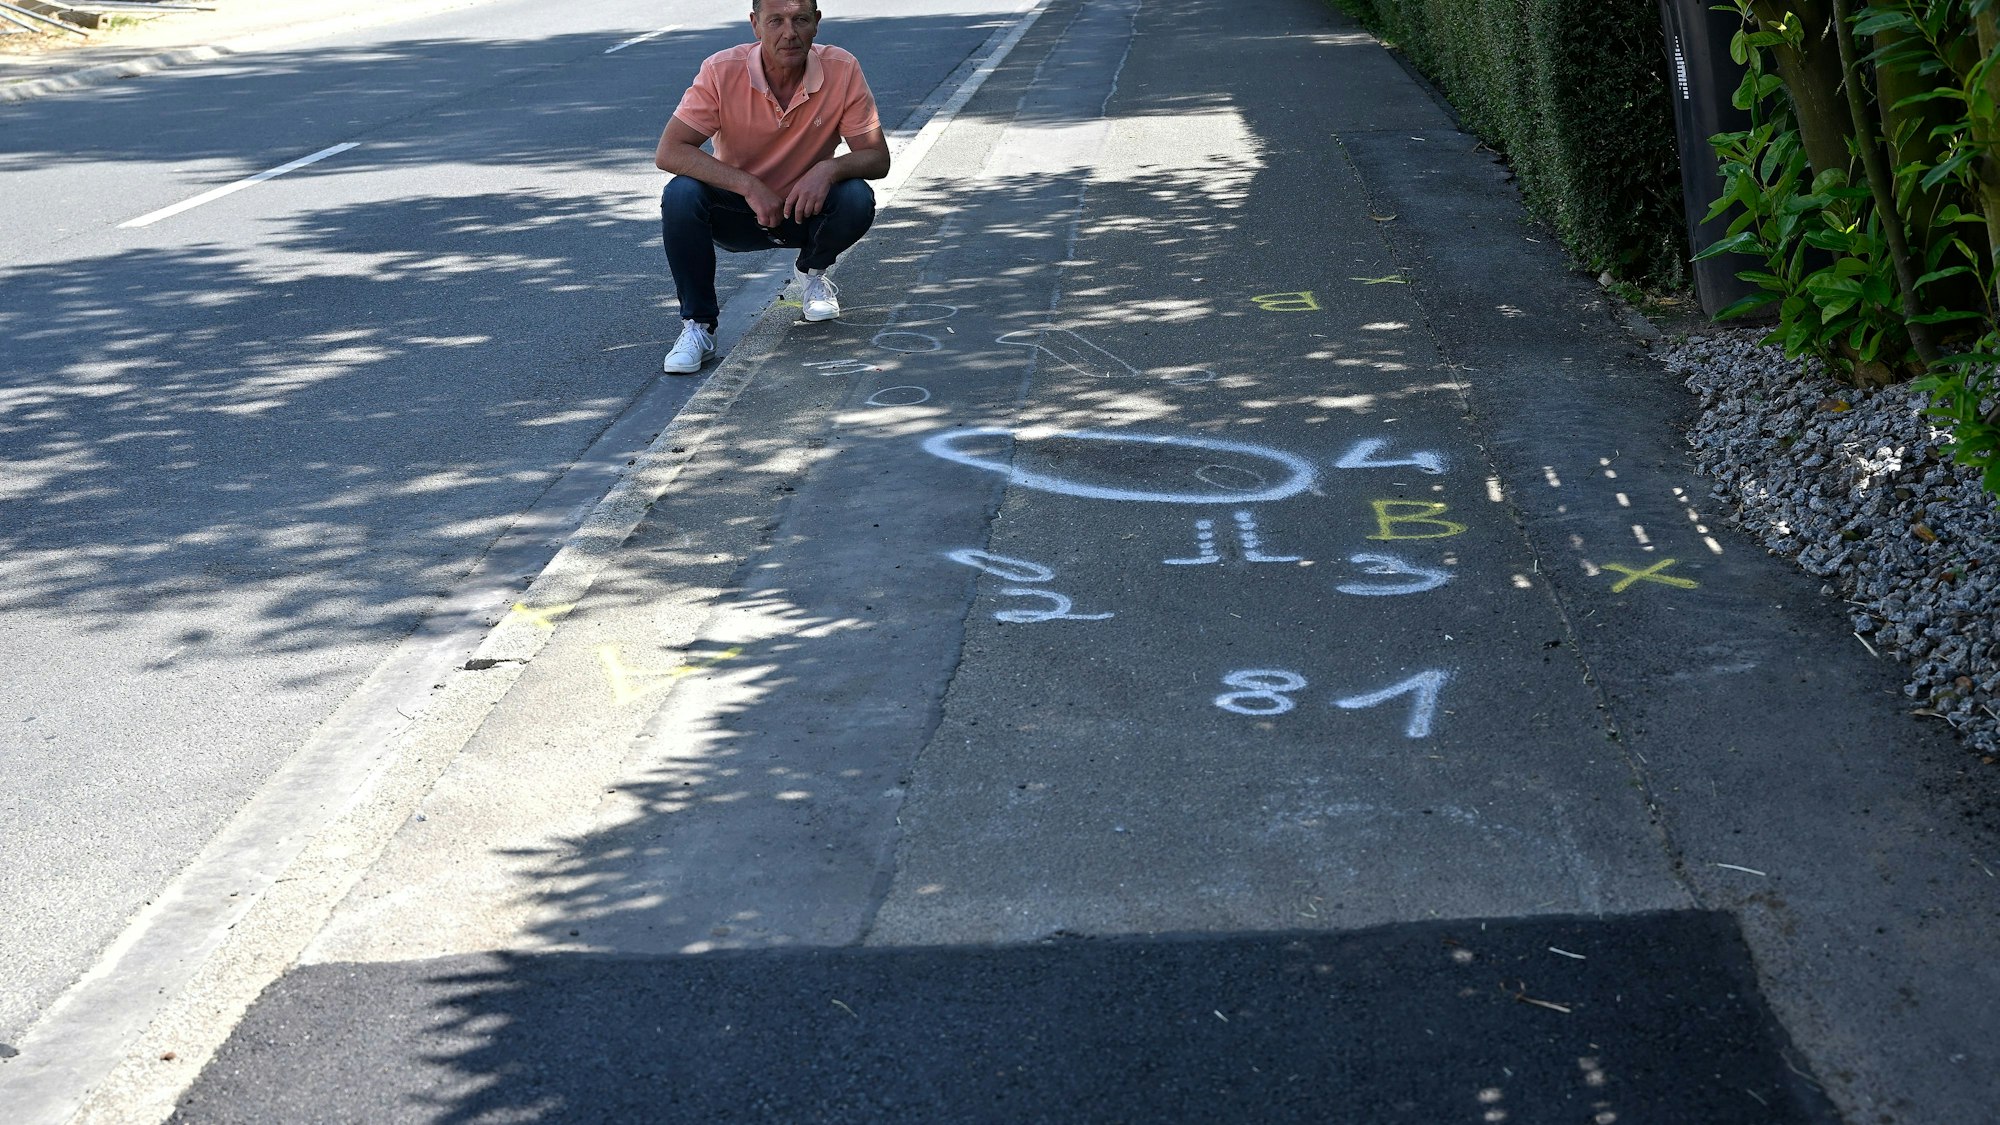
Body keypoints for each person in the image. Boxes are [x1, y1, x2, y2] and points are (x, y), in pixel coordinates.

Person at [653, 0, 891, 374]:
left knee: (856, 195)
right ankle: (698, 327)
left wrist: (827, 169)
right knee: (680, 193)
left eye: (800, 19)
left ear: (816, 23)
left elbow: (877, 158)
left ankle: (812, 274)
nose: (789, 32)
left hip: (806, 210)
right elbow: (669, 151)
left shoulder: (842, 68)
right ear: (755, 25)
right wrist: (748, 185)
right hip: (738, 212)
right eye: (775, 21)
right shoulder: (721, 70)